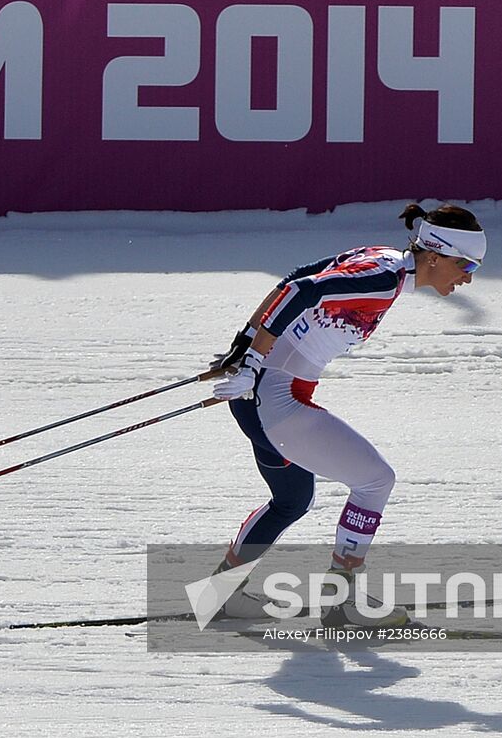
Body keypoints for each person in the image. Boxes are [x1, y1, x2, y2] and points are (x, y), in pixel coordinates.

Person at [207, 202, 486, 627]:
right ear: (434, 255)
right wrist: (248, 360)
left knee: (292, 500)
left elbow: (292, 281)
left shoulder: (381, 258)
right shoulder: (381, 278)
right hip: (276, 403)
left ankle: (219, 594)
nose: (468, 277)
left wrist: (246, 346)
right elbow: (301, 290)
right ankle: (342, 604)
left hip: (256, 401)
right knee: (375, 480)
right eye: (466, 264)